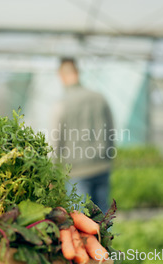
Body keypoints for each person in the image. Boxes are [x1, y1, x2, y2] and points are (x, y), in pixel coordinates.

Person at [51, 57, 114, 212]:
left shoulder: (63, 104)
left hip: (76, 171)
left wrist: (52, 172)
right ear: (77, 72)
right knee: (103, 219)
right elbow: (111, 132)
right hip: (102, 166)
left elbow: (56, 140)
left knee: (80, 221)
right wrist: (108, 157)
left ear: (61, 75)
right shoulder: (100, 98)